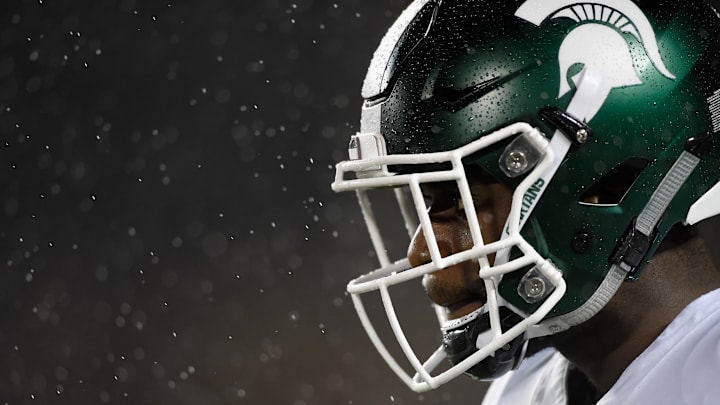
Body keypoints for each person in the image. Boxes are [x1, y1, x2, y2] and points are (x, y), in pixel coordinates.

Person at [332, 0, 720, 403]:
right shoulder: (522, 393)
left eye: (462, 202)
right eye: (426, 204)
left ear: (598, 181)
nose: (423, 254)